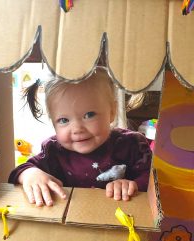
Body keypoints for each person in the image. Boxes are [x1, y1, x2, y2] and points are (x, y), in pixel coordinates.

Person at [8, 68, 152, 207]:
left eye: (89, 115)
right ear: (53, 122)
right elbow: (20, 171)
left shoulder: (132, 144)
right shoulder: (53, 151)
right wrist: (30, 175)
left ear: (112, 111)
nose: (77, 129)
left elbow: (155, 179)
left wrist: (133, 185)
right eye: (64, 120)